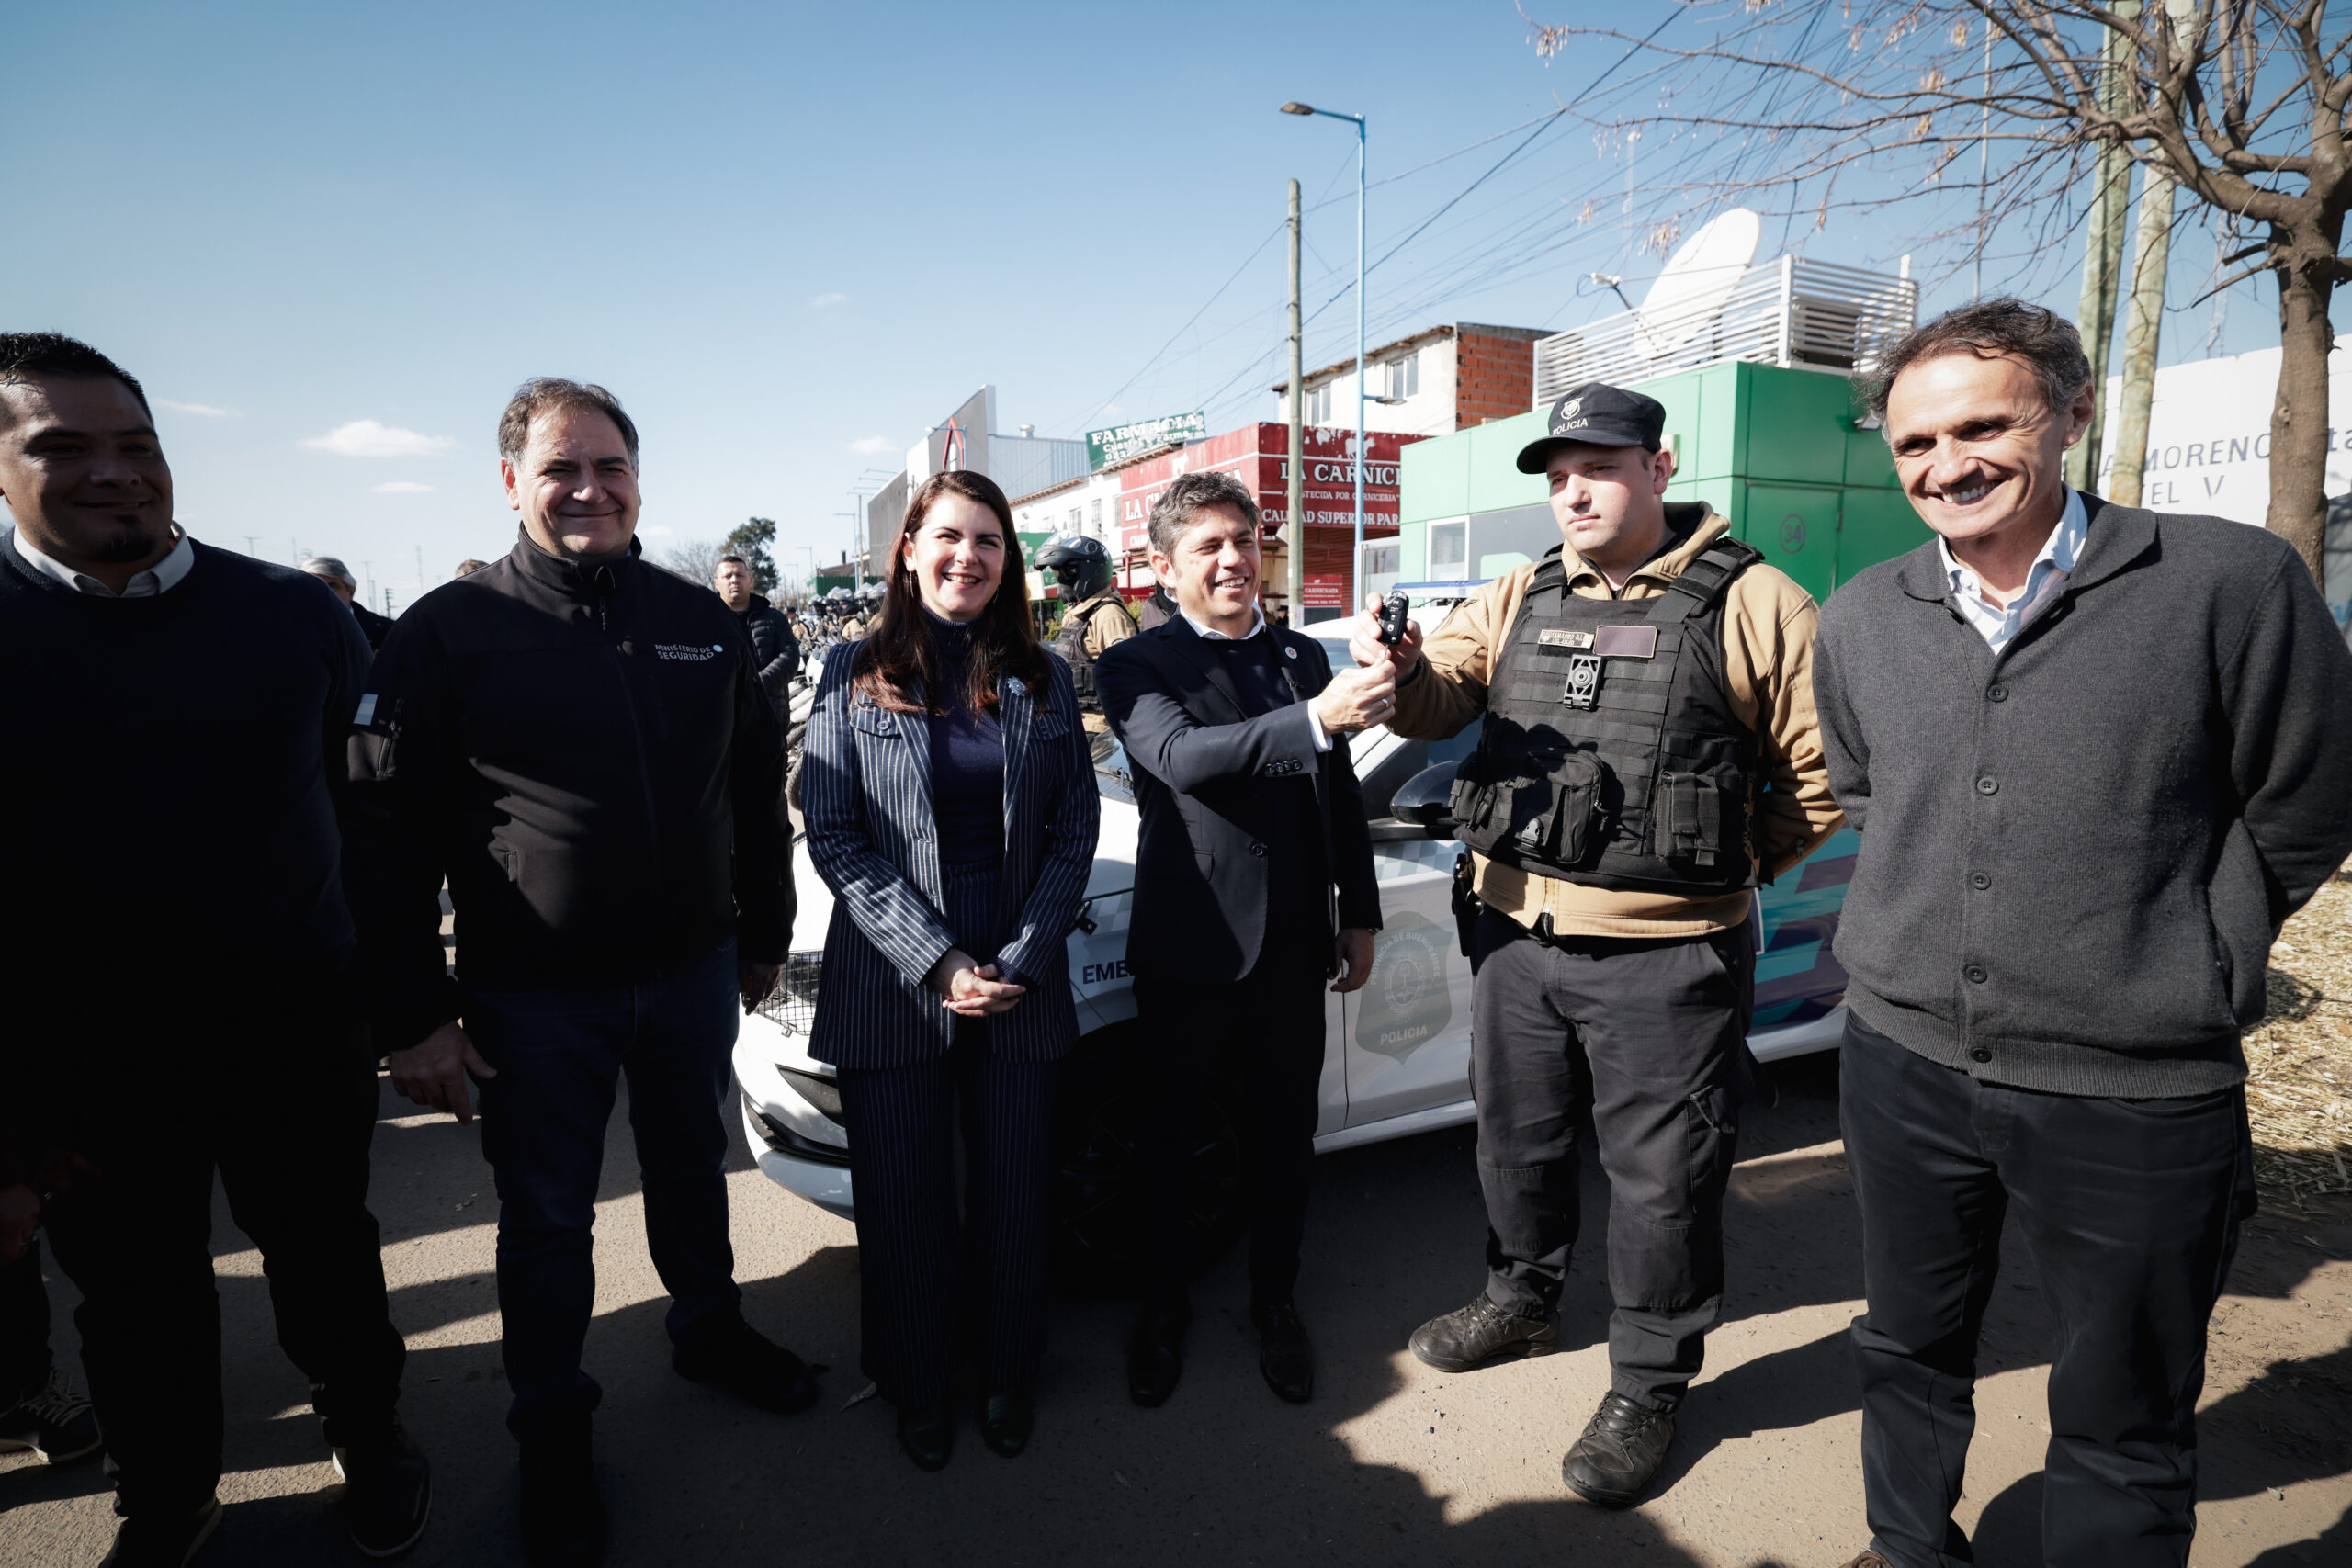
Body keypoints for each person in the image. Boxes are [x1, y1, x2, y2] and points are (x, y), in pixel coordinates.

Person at [1812, 300, 2352, 1568]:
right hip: (1904, 1063)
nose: (1946, 464)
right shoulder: (1863, 614)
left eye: (1983, 424)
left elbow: (2312, 792)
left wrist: (2207, 942)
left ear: (2071, 412)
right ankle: (1907, 1543)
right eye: (1915, 443)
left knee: (2121, 1401)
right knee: (1904, 1343)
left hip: (2137, 1086)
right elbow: (1869, 790)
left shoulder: (2225, 582)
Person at [345, 378, 810, 1567]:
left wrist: (763, 929)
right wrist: (413, 1013)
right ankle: (552, 1426)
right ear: (512, 482)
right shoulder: (444, 632)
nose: (589, 488)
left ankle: (709, 1325)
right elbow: (383, 834)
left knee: (692, 1169)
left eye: (610, 465)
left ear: (640, 480)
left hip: (693, 969)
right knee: (548, 1218)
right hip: (534, 994)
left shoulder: (698, 620)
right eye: (561, 468)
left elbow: (755, 792)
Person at [1354, 381, 1842, 1508]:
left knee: (1664, 1182)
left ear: (1659, 469)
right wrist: (1405, 680)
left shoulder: (1760, 602)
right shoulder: (1521, 589)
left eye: (1601, 466)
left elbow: (1820, 778)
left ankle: (1650, 1377)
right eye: (1558, 471)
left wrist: (1716, 869)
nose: (1574, 488)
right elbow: (1442, 707)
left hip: (1667, 957)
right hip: (1517, 937)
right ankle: (1522, 1302)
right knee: (1515, 1148)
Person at [0, 333, 426, 1564]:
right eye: (62, 449)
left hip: (293, 1034)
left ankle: (375, 1433)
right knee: (138, 1310)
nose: (114, 474)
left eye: (137, 445)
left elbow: (375, 816)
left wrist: (401, 1000)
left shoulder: (295, 616)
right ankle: (167, 1492)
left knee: (328, 1259)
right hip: (88, 1077)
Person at [800, 470, 1097, 1472]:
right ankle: (917, 1381)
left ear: (1009, 562)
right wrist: (936, 961)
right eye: (948, 537)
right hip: (894, 969)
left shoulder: (1044, 676)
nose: (967, 556)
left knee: (1015, 1191)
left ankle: (1009, 1371)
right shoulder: (848, 669)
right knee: (903, 1200)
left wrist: (1019, 953)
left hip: (1019, 959)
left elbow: (1073, 830)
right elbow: (835, 836)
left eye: (989, 541)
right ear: (909, 549)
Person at [1096, 470, 1386, 1409]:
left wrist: (1359, 910)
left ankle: (1275, 1305)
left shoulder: (1305, 657)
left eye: (1244, 539)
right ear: (1163, 566)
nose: (1232, 560)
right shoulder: (1138, 665)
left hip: (1295, 947)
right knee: (1168, 1139)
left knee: (1282, 1138)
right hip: (1191, 946)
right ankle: (1161, 1310)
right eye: (1207, 547)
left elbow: (1338, 796)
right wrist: (1313, 720)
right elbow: (1181, 760)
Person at [1032, 531, 1137, 759]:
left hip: (1099, 734)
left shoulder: (1109, 615)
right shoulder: (1077, 614)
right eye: (1057, 572)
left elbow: (1131, 680)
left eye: (1065, 571)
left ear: (1088, 571)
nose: (1060, 578)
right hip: (1072, 724)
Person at [712, 551, 798, 716]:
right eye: (727, 576)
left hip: (769, 714)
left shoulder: (775, 618)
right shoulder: (706, 620)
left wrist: (755, 685)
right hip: (723, 719)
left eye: (739, 575)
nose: (734, 580)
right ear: (717, 583)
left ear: (750, 580)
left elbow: (790, 657)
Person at [303, 553, 395, 650]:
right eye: (312, 587)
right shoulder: (289, 630)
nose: (320, 593)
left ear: (350, 591)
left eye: (331, 587)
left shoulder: (387, 631)